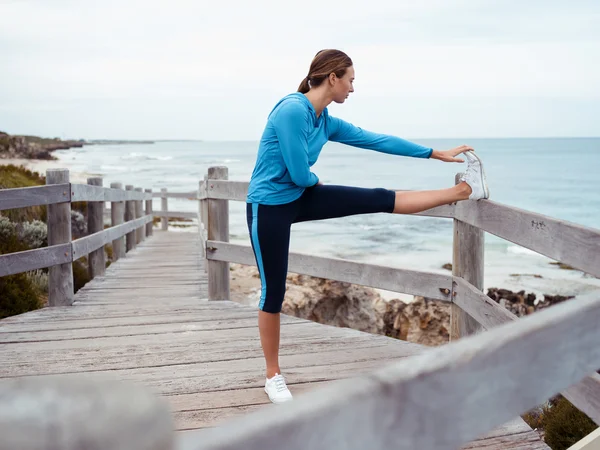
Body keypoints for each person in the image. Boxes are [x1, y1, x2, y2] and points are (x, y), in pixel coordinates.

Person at [246, 49, 489, 404]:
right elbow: (300, 174)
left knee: (377, 197)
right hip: (268, 206)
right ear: (333, 78)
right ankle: (273, 376)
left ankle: (465, 190)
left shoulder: (324, 119)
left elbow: (376, 140)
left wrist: (434, 153)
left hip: (300, 194)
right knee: (273, 292)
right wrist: (316, 182)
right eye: (351, 80)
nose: (353, 88)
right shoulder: (292, 111)